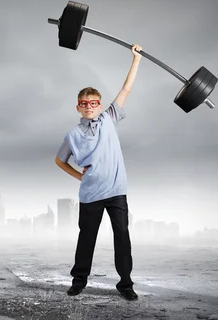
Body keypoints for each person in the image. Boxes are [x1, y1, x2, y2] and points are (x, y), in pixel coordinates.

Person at [54, 44, 142, 301]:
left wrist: (135, 59)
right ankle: (79, 280)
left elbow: (126, 88)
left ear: (100, 104)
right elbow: (60, 161)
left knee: (122, 237)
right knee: (87, 239)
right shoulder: (73, 134)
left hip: (116, 192)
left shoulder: (108, 119)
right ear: (78, 107)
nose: (90, 106)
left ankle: (125, 284)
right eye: (85, 103)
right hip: (90, 194)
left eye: (94, 102)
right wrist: (80, 177)